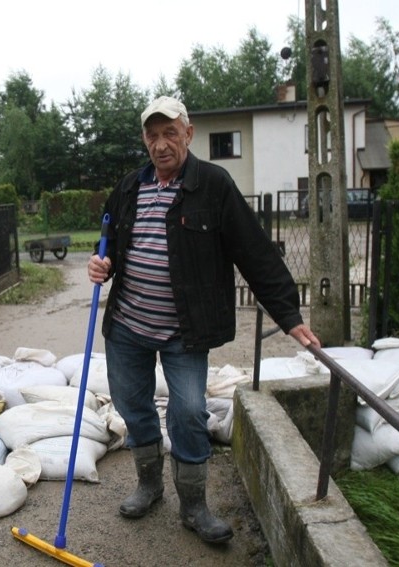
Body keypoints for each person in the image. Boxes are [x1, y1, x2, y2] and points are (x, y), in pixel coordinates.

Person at [87, 96, 320, 544]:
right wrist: (102, 264)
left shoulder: (214, 185)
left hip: (184, 332)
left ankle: (194, 506)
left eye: (169, 133)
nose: (160, 144)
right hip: (128, 327)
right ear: (145, 140)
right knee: (133, 407)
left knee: (190, 411)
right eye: (152, 136)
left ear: (188, 134)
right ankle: (150, 486)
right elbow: (111, 243)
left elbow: (254, 253)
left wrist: (288, 315)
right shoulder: (130, 187)